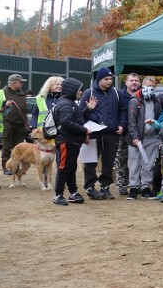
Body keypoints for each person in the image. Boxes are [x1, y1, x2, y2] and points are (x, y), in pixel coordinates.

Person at [79, 67, 128, 200]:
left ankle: (105, 187)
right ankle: (90, 188)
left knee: (108, 162)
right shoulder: (89, 93)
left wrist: (122, 125)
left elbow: (123, 110)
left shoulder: (117, 93)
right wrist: (89, 109)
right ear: (99, 79)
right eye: (106, 79)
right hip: (93, 134)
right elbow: (79, 116)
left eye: (111, 79)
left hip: (111, 133)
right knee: (90, 162)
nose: (109, 81)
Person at [52, 78, 96, 206]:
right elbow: (66, 122)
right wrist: (84, 130)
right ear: (72, 90)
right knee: (64, 167)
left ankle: (73, 193)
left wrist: (88, 110)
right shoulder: (66, 103)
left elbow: (76, 118)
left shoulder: (69, 103)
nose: (81, 92)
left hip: (72, 140)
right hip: (66, 140)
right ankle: (58, 195)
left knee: (71, 167)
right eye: (79, 90)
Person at [126, 76, 163, 200]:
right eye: (148, 85)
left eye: (152, 86)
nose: (150, 88)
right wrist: (135, 137)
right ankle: (133, 187)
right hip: (137, 138)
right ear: (143, 85)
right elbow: (131, 121)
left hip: (151, 137)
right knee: (134, 163)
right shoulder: (135, 100)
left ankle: (145, 186)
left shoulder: (156, 101)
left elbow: (158, 118)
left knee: (148, 164)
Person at [115, 72, 142, 195]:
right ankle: (122, 184)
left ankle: (137, 184)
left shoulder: (142, 96)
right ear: (126, 82)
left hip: (138, 134)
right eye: (131, 80)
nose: (134, 82)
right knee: (121, 159)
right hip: (122, 133)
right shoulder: (119, 96)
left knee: (137, 160)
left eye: (136, 80)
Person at [1, 74, 30, 176]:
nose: (22, 84)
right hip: (8, 123)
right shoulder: (3, 92)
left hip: (20, 125)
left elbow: (24, 109)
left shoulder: (21, 93)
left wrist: (26, 123)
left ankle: (16, 168)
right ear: (13, 83)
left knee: (20, 147)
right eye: (20, 82)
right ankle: (6, 168)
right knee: (7, 146)